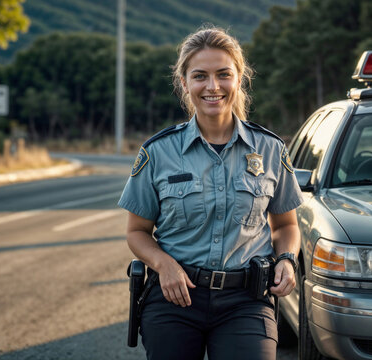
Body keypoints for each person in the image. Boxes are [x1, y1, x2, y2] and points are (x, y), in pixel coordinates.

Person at [118, 26, 303, 360]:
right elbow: (137, 232)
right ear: (184, 82)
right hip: (174, 297)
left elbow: (286, 226)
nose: (212, 86)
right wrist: (163, 265)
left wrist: (287, 260)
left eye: (223, 75)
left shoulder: (271, 149)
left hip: (246, 301)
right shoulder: (158, 152)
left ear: (239, 78)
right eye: (200, 76)